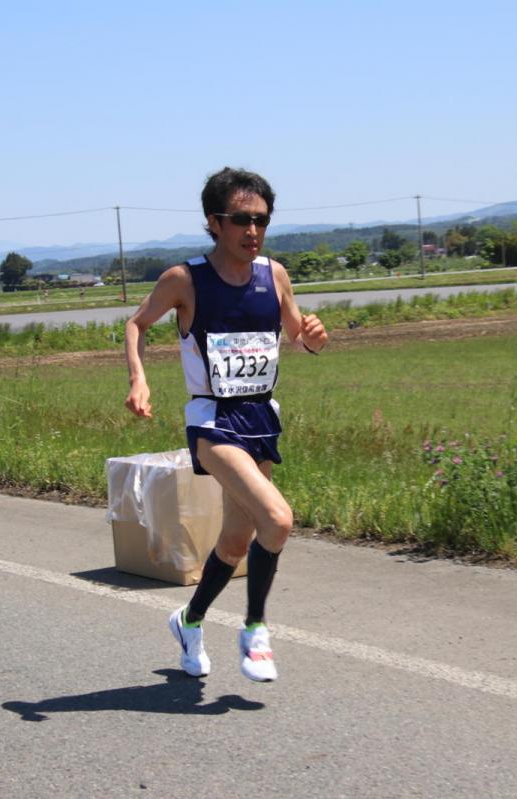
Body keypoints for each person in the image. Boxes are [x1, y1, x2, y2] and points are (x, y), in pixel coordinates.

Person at [124, 167, 327, 682]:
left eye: (261, 220)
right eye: (241, 219)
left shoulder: (274, 275)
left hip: (260, 414)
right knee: (277, 520)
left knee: (236, 542)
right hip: (213, 420)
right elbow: (136, 323)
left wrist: (313, 338)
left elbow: (297, 334)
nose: (252, 230)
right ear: (214, 222)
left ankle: (188, 621)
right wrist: (139, 378)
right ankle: (255, 627)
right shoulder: (185, 279)